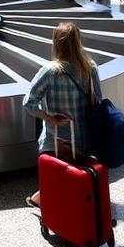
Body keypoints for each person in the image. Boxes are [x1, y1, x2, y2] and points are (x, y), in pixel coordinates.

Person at [22, 21, 103, 208]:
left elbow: (29, 103)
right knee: (78, 171)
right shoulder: (90, 68)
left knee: (60, 171)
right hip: (85, 137)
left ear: (56, 43)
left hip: (58, 138)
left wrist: (49, 117)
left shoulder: (51, 71)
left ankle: (47, 203)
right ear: (78, 41)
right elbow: (97, 100)